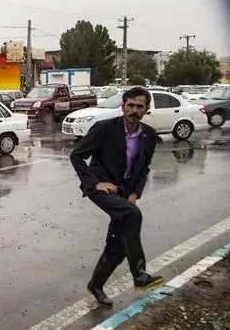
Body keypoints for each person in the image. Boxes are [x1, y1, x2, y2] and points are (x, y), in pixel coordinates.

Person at [69, 86, 165, 308]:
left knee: (118, 244)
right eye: (130, 105)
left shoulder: (149, 135)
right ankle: (139, 274)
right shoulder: (104, 128)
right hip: (100, 188)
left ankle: (96, 284)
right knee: (132, 215)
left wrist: (134, 192)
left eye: (139, 106)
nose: (134, 110)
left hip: (124, 192)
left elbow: (144, 168)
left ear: (146, 110)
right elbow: (77, 156)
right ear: (122, 107)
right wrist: (94, 183)